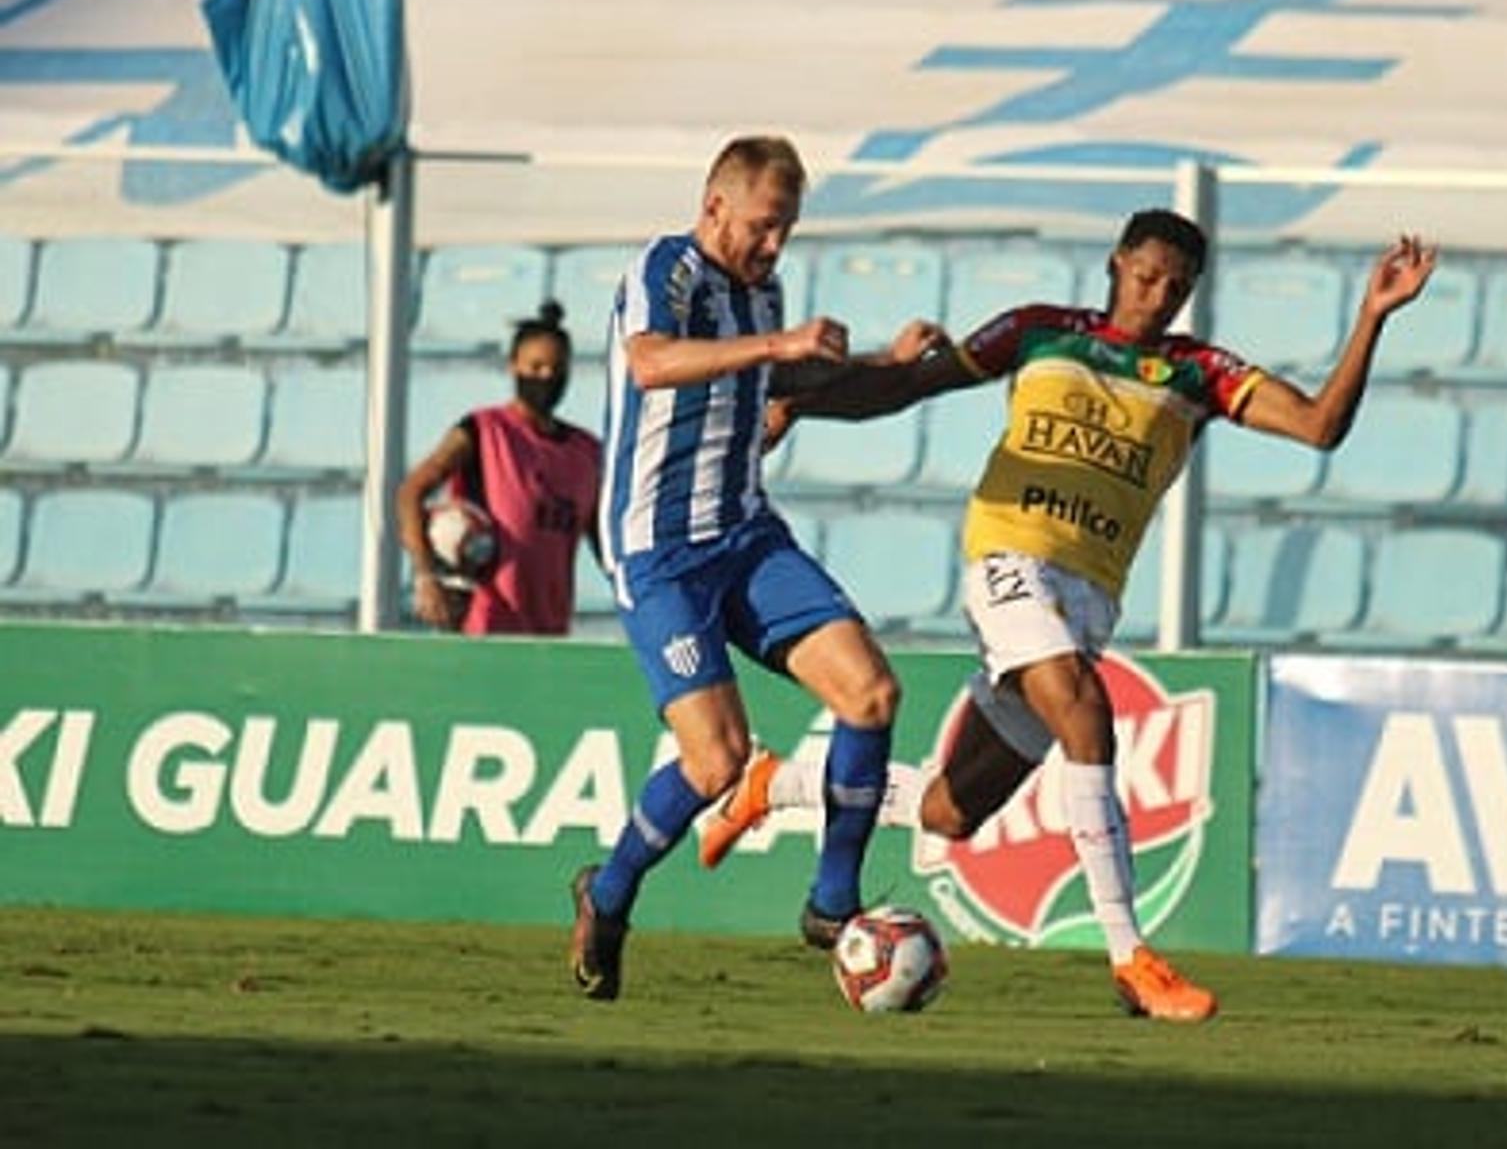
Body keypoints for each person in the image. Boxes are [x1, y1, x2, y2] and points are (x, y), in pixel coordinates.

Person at [698, 211, 1438, 1021]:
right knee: (1087, 713)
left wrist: (1371, 317)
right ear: (1117, 264)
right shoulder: (1040, 332)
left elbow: (1319, 426)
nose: (1158, 296)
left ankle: (778, 782)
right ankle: (1131, 957)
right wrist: (803, 403)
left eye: (1177, 286)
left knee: (954, 810)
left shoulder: (1196, 373)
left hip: (1086, 597)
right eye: (1148, 275)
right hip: (1009, 559)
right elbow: (911, 383)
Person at [568, 135, 943, 1001]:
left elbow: (782, 388)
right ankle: (611, 890)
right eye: (766, 227)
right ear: (716, 208)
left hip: (744, 534)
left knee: (871, 694)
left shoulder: (759, 290)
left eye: (789, 231)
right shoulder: (668, 267)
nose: (776, 247)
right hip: (659, 554)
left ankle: (831, 902)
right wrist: (777, 348)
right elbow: (652, 362)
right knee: (717, 761)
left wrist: (882, 364)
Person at [397, 300, 602, 636]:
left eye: (556, 369)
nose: (546, 378)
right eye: (535, 367)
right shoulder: (483, 431)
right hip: (485, 626)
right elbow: (411, 492)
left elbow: (605, 542)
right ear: (513, 366)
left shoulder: (586, 452)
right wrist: (425, 575)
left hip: (549, 632)